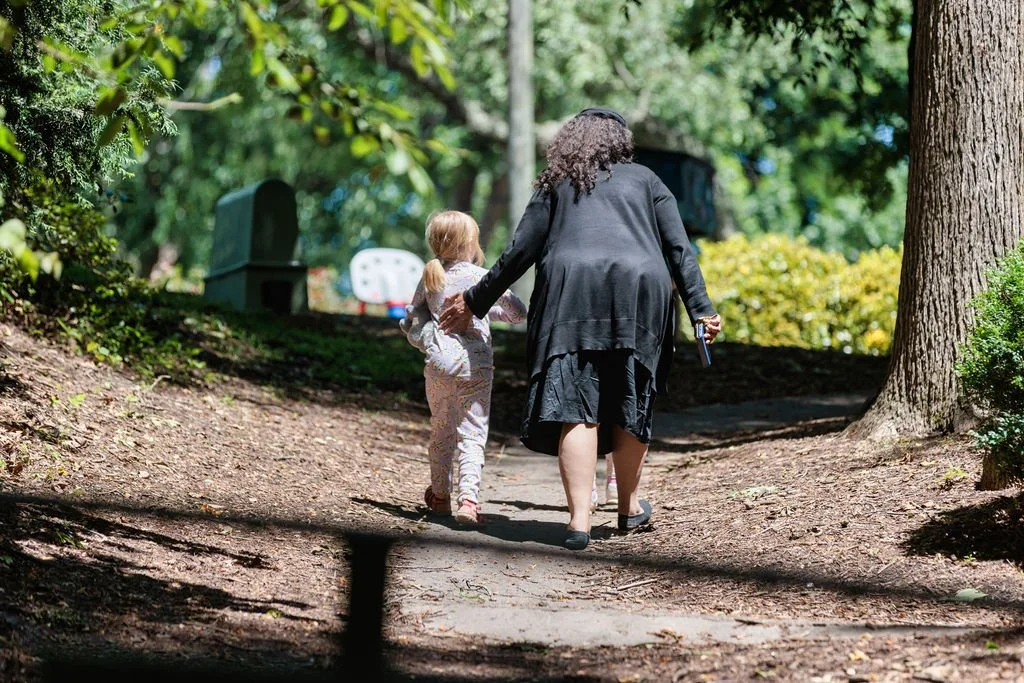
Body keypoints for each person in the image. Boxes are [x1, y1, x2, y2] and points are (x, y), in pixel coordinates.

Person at [439, 107, 721, 549]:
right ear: (622, 142)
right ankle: (628, 509)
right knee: (631, 396)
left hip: (572, 292)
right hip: (639, 291)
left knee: (577, 404)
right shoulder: (648, 180)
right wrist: (701, 311)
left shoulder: (555, 183)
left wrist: (474, 302)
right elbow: (679, 250)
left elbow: (518, 253)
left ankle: (578, 524)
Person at [401, 210, 526, 526]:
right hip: (475, 368)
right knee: (472, 434)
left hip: (438, 365)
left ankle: (440, 495)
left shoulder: (431, 276)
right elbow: (519, 312)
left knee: (441, 428)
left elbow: (411, 315)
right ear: (471, 243)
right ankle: (468, 501)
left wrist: (427, 338)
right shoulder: (480, 277)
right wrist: (490, 308)